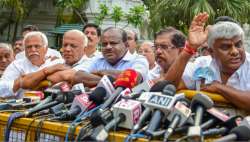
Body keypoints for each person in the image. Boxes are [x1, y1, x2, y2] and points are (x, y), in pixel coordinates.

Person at [165, 12, 250, 113]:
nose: (235, 52)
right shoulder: (201, 64)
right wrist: (189, 49)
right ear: (211, 52)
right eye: (225, 47)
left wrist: (219, 88)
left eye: (238, 45)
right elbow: (169, 86)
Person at [47, 27, 149, 87]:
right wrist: (118, 80)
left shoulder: (139, 60)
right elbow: (78, 76)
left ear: (126, 45)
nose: (108, 47)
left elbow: (134, 78)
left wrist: (98, 72)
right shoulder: (97, 58)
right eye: (104, 44)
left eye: (113, 43)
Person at [0, 31, 68, 98]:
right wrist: (20, 82)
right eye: (29, 47)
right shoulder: (17, 65)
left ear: (46, 49)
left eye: (37, 46)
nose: (33, 49)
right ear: (25, 50)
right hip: (23, 107)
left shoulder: (56, 62)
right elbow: (2, 89)